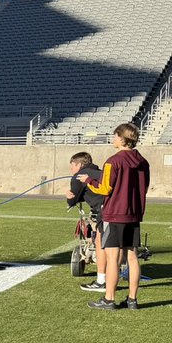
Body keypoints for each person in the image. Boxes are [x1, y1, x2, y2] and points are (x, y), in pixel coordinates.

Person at [75, 123, 151, 310]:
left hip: (115, 214)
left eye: (115, 135)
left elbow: (104, 188)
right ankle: (132, 300)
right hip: (133, 214)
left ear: (122, 139)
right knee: (132, 257)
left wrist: (88, 180)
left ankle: (109, 299)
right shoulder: (143, 162)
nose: (113, 138)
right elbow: (144, 187)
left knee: (112, 258)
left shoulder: (113, 161)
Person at [65, 151, 108, 292]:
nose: (71, 169)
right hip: (119, 209)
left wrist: (69, 198)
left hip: (104, 211)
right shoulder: (101, 173)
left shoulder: (79, 176)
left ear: (79, 165)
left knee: (101, 244)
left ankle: (102, 281)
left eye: (72, 165)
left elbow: (73, 199)